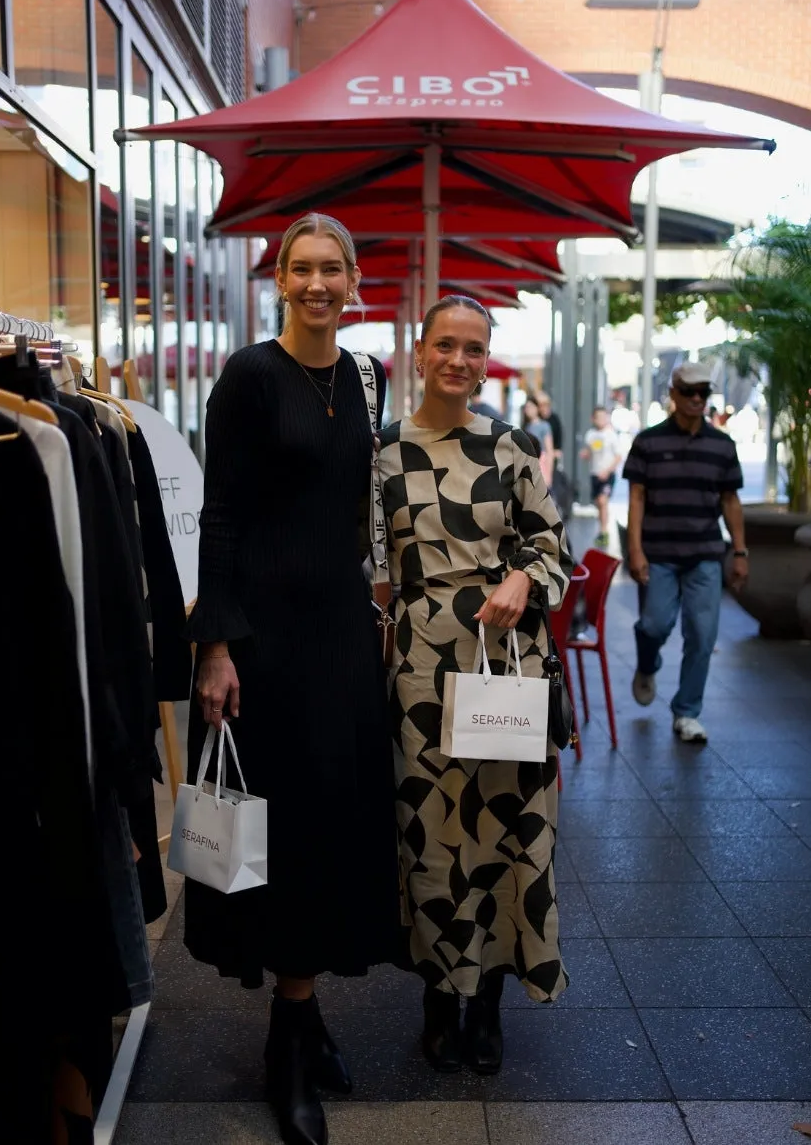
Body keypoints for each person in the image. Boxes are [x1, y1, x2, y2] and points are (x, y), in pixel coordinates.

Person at [187, 212, 400, 1145]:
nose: (317, 283)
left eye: (332, 268)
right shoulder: (247, 375)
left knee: (332, 822)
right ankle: (288, 1036)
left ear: (354, 279)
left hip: (342, 637)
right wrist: (216, 646)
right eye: (301, 268)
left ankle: (304, 1017)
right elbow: (220, 517)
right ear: (278, 278)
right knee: (278, 831)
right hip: (266, 642)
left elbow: (365, 510)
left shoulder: (368, 374)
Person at [378, 295, 573, 1077]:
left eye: (474, 349)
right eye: (445, 346)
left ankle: (488, 999)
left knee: (502, 831)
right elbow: (364, 561)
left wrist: (526, 578)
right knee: (428, 837)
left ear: (486, 359)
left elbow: (553, 544)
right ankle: (437, 997)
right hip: (421, 671)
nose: (459, 361)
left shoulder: (511, 445)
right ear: (418, 353)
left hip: (508, 665)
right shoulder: (383, 452)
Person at [624, 361, 749, 745]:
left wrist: (740, 551)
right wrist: (635, 550)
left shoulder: (722, 445)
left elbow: (731, 501)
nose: (697, 399)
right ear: (674, 394)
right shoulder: (647, 441)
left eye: (703, 393)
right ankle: (648, 665)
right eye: (689, 392)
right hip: (659, 552)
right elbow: (636, 498)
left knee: (702, 634)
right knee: (655, 625)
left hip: (705, 554)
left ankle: (687, 712)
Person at [580, 405, 622, 548]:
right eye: (599, 417)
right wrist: (586, 454)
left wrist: (608, 471)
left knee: (603, 501)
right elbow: (589, 451)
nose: (602, 420)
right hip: (595, 474)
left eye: (604, 417)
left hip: (607, 475)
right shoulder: (590, 434)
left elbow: (618, 456)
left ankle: (604, 532)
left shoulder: (611, 435)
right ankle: (602, 528)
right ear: (593, 418)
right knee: (599, 503)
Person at [522, 394, 555, 489]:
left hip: (541, 463)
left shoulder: (544, 426)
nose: (528, 410)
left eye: (530, 407)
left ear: (537, 408)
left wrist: (549, 474)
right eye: (526, 407)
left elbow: (549, 450)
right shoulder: (526, 426)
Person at [536, 391, 563, 469]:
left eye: (546, 405)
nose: (543, 408)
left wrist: (557, 450)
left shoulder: (554, 419)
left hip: (551, 455)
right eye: (540, 405)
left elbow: (559, 435)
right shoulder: (536, 420)